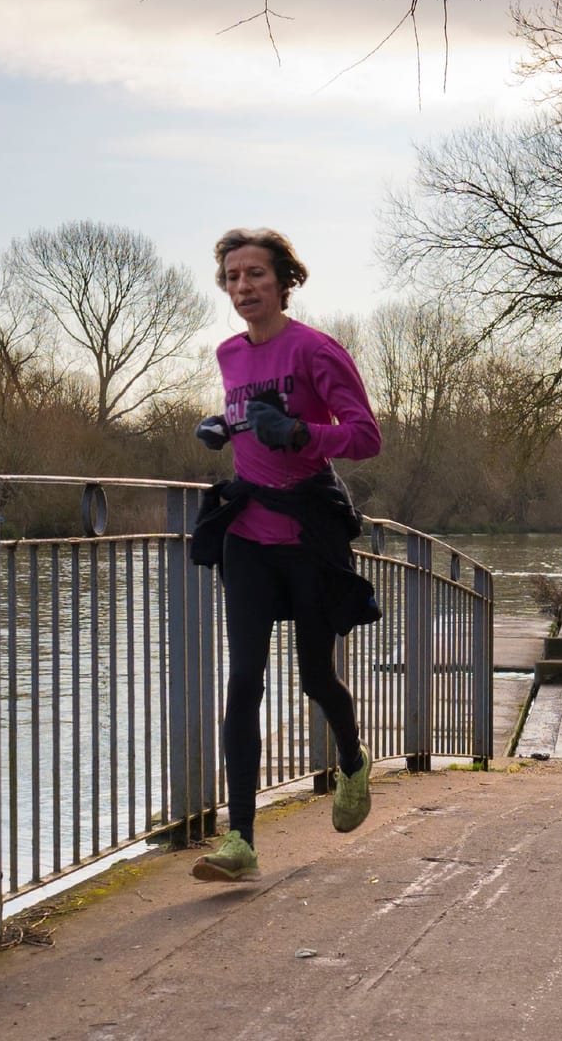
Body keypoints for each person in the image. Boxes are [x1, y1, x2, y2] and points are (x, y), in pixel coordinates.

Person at [188, 227, 383, 882]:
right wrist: (226, 425)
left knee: (314, 678)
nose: (243, 287)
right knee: (243, 682)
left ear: (284, 282)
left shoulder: (315, 351)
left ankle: (352, 763)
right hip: (248, 536)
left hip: (307, 535)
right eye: (233, 277)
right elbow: (245, 416)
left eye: (256, 276)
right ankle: (238, 840)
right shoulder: (228, 354)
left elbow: (365, 437)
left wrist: (302, 431)